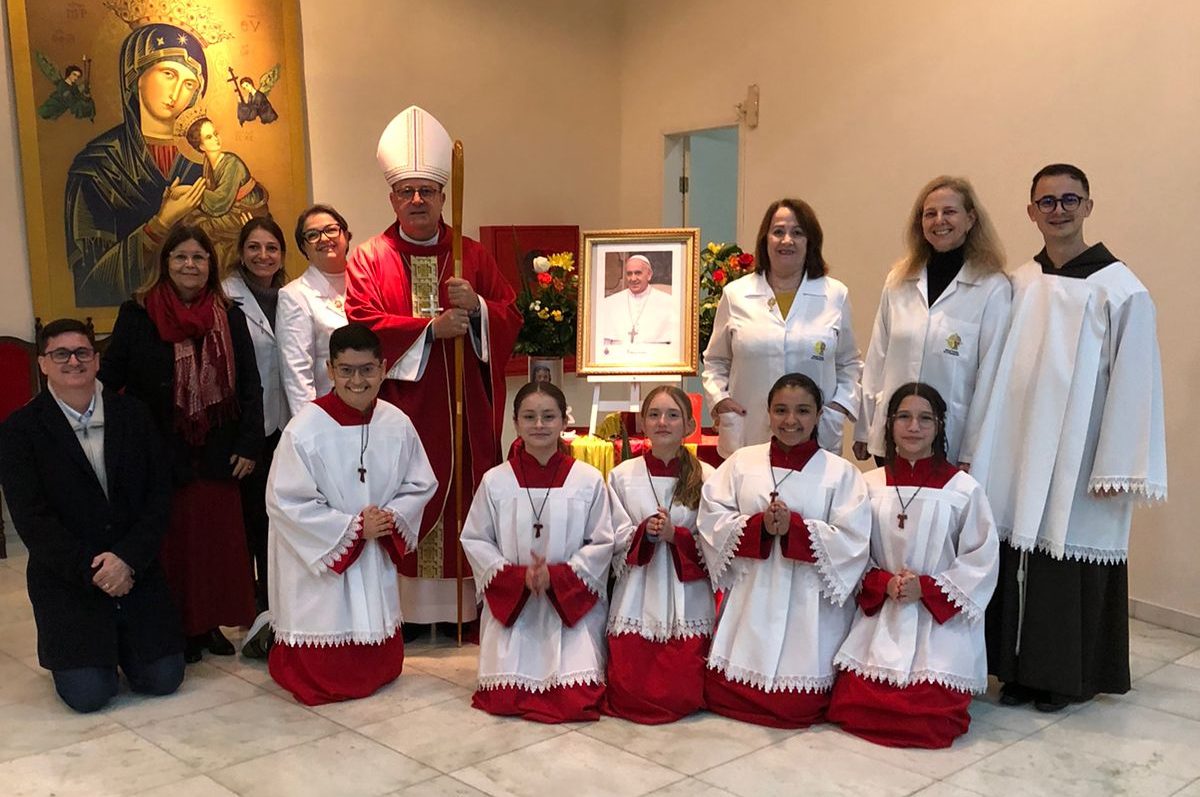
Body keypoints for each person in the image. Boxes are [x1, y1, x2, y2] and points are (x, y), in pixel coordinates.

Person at [972, 164, 1167, 712]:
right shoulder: (1017, 282)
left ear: (1088, 206)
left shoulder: (1121, 290)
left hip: (1082, 457)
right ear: (1031, 211)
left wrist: (1117, 466)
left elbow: (1136, 385)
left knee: (1068, 565)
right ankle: (1013, 669)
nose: (1058, 210)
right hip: (1015, 448)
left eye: (1069, 200)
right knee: (1013, 556)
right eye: (1047, 202)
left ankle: (1064, 676)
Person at [345, 105, 522, 630]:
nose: (417, 200)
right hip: (403, 411)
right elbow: (361, 325)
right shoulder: (369, 258)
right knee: (407, 492)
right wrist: (428, 330)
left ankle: (464, 608)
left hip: (466, 411)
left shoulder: (472, 255)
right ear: (391, 197)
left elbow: (510, 313)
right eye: (407, 191)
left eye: (427, 190)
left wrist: (479, 310)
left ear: (444, 196)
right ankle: (412, 614)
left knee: (468, 494)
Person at [0, 319, 183, 712]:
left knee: (163, 679)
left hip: (135, 572)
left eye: (83, 352)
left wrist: (128, 560)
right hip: (69, 581)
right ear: (43, 364)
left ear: (97, 361)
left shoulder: (133, 415)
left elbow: (158, 496)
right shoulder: (19, 431)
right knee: (90, 696)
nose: (73, 361)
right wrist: (94, 570)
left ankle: (127, 645)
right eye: (60, 354)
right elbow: (32, 521)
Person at [99, 224, 263, 663]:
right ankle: (176, 629)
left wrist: (249, 444)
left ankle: (208, 625)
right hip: (158, 453)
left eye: (199, 257)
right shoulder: (137, 313)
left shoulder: (229, 314)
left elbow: (250, 383)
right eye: (181, 257)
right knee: (170, 548)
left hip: (218, 452)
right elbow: (110, 381)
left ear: (211, 266)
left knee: (213, 548)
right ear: (165, 264)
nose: (190, 265)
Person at [265, 324, 437, 705]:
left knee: (379, 657)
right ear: (330, 370)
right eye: (346, 370)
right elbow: (285, 502)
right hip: (325, 561)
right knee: (325, 658)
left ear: (383, 368)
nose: (357, 380)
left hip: (373, 550)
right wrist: (354, 528)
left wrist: (391, 517)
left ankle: (377, 661)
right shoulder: (305, 429)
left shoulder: (397, 423)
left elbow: (421, 483)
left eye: (367, 369)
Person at [828, 383, 999, 748]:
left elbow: (981, 560)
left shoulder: (963, 490)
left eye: (925, 418)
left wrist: (929, 588)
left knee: (931, 720)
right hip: (883, 611)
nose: (914, 427)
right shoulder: (867, 485)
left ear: (939, 427)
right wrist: (882, 583)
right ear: (889, 425)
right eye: (904, 417)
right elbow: (848, 549)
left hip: (936, 621)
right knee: (854, 707)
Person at [698, 373, 871, 728]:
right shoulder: (742, 462)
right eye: (781, 410)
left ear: (819, 414)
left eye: (803, 410)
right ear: (768, 413)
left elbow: (853, 540)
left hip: (809, 598)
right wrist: (756, 526)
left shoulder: (841, 473)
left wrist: (796, 529)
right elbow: (712, 516)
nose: (791, 421)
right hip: (753, 587)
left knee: (798, 699)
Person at [461, 382, 613, 723]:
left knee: (575, 700)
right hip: (516, 605)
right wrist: (516, 577)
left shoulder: (587, 480)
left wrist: (557, 576)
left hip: (567, 607)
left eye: (549, 416)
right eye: (529, 417)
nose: (539, 425)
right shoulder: (495, 481)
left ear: (564, 422)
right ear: (515, 423)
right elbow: (475, 539)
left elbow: (603, 541)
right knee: (502, 699)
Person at [852, 176, 1011, 468]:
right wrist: (865, 428)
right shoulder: (899, 280)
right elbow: (878, 357)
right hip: (892, 437)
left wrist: (972, 451)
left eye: (949, 211)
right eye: (930, 214)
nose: (939, 220)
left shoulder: (992, 287)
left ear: (970, 219)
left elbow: (990, 379)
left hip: (952, 442)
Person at [702, 198, 862, 457]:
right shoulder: (736, 294)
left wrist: (837, 407)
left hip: (816, 434)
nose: (787, 240)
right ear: (765, 240)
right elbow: (715, 362)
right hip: (749, 431)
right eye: (778, 232)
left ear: (810, 241)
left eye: (797, 232)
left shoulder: (834, 295)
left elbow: (850, 364)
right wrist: (720, 401)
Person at [65, 24, 209, 307]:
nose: (177, 91)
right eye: (168, 74)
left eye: (189, 83)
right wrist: (160, 224)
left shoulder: (206, 163)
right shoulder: (97, 167)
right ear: (136, 76)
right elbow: (92, 283)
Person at [604, 386, 714, 724]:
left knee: (681, 673)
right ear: (643, 422)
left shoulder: (708, 477)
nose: (662, 422)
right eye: (654, 415)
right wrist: (644, 533)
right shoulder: (622, 476)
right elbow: (613, 532)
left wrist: (676, 536)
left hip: (687, 591)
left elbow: (714, 540)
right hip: (639, 586)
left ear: (689, 425)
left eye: (672, 415)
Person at [222, 217, 290, 617]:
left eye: (272, 248)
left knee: (278, 517)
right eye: (255, 247)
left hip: (286, 421)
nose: (263, 256)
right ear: (241, 252)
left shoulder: (290, 295)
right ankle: (252, 603)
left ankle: (276, 596)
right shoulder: (227, 298)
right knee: (249, 518)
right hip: (248, 425)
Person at [277, 205, 352, 415]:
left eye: (331, 229)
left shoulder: (365, 282)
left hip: (370, 408)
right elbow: (297, 374)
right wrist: (310, 425)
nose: (324, 238)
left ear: (345, 235)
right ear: (304, 247)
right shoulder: (294, 295)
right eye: (312, 235)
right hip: (328, 414)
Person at [182, 114, 271, 269]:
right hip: (230, 210)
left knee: (203, 227)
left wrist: (192, 191)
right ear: (201, 145)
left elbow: (219, 203)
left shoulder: (231, 163)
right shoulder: (208, 165)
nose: (216, 139)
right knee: (189, 220)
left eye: (215, 134)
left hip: (245, 211)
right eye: (209, 137)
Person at [598, 254, 678, 358]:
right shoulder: (609, 303)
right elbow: (604, 345)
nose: (633, 278)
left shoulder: (668, 302)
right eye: (629, 274)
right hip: (619, 362)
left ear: (649, 275)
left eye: (638, 273)